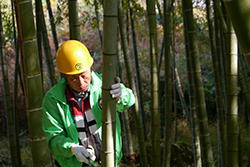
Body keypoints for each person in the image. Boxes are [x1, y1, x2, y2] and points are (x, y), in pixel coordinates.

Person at [42, 40, 135, 167]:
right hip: (72, 164)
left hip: (108, 161)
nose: (80, 82)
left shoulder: (104, 85)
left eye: (84, 75)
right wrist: (72, 148)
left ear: (90, 69)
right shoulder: (53, 99)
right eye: (74, 78)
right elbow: (54, 138)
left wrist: (121, 95)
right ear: (65, 76)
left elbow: (128, 101)